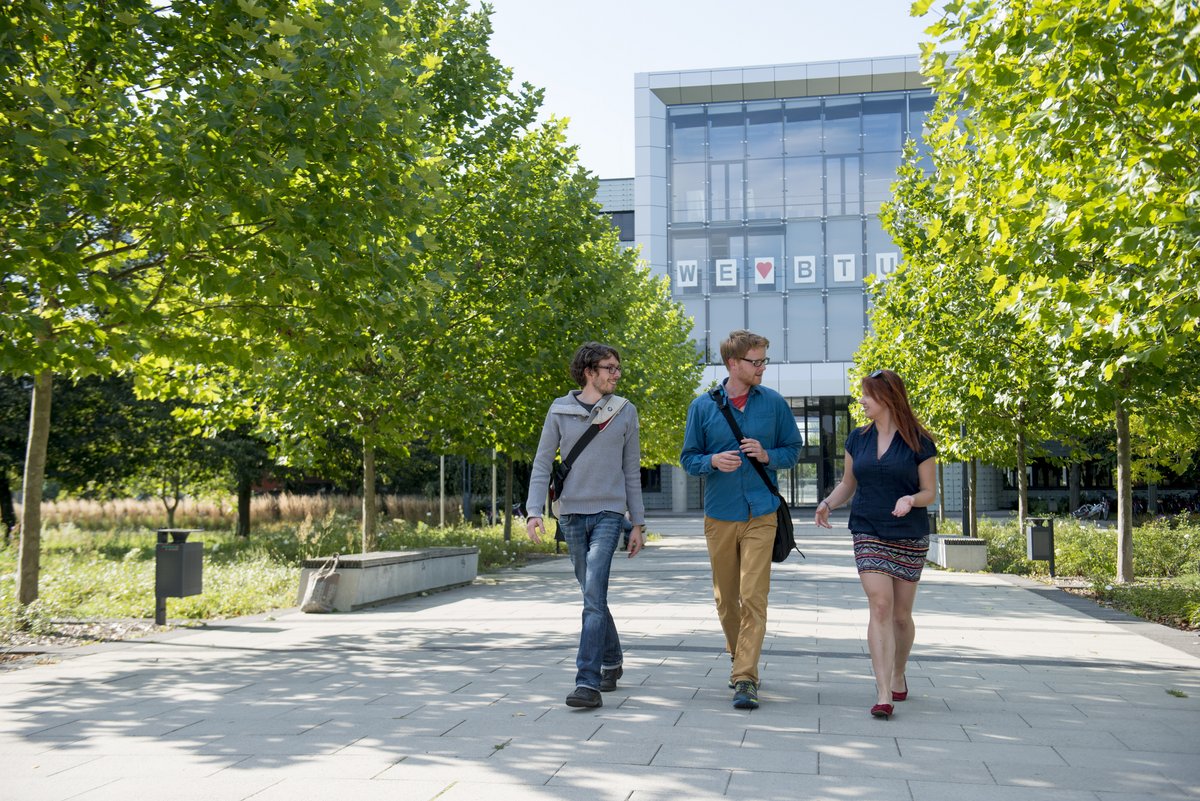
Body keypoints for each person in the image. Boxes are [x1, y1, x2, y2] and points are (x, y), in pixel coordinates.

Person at [680, 330, 801, 710]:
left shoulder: (775, 404)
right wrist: (712, 461)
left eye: (764, 360)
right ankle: (740, 657)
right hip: (720, 513)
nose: (762, 367)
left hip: (762, 512)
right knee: (726, 601)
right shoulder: (702, 407)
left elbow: (793, 449)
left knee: (753, 597)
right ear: (733, 364)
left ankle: (745, 677)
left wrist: (768, 455)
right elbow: (688, 458)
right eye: (756, 361)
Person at [526, 342, 646, 709]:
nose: (616, 374)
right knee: (591, 594)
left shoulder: (624, 412)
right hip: (571, 514)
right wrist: (534, 510)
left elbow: (631, 471)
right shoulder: (560, 410)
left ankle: (587, 682)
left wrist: (638, 522)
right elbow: (542, 463)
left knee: (593, 593)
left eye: (618, 368)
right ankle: (612, 659)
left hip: (610, 513)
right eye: (609, 368)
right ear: (588, 371)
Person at [814, 369, 937, 720]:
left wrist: (912, 500)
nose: (862, 400)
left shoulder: (919, 441)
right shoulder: (858, 439)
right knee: (880, 606)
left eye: (867, 395)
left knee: (900, 616)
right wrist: (827, 503)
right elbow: (847, 483)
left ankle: (898, 672)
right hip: (868, 528)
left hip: (909, 532)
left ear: (887, 398)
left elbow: (931, 491)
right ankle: (883, 691)